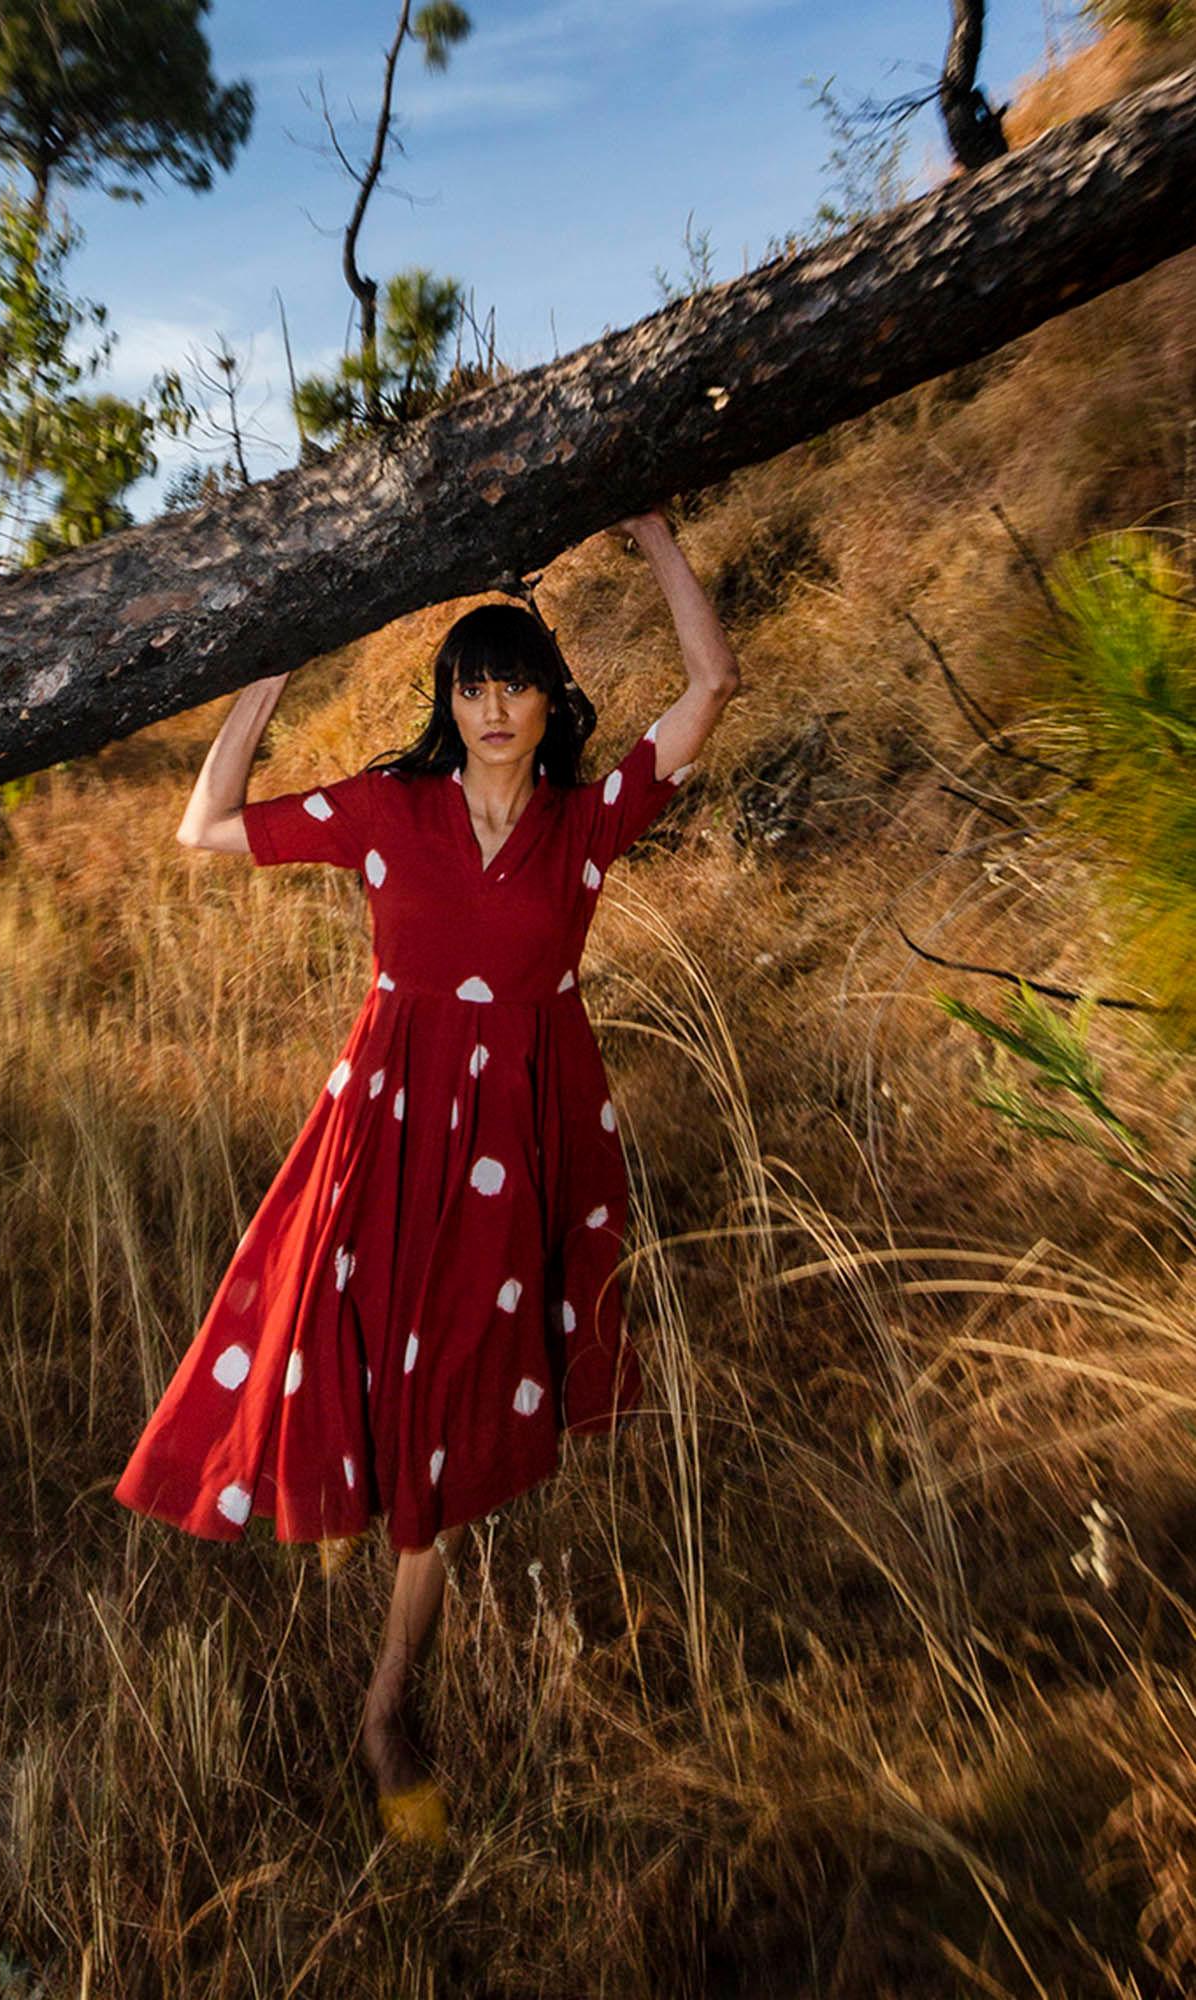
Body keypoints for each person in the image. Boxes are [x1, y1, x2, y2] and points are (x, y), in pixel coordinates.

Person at [113, 508, 741, 1845]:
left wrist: (657, 535)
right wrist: (274, 668)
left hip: (524, 1141)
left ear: (546, 698)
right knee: (354, 1352)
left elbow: (711, 688)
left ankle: (390, 1706)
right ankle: (348, 1510)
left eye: (514, 679)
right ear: (447, 703)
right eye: (470, 681)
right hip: (387, 1127)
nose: (493, 702)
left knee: (448, 1422)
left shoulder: (587, 826)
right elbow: (204, 825)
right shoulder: (391, 812)